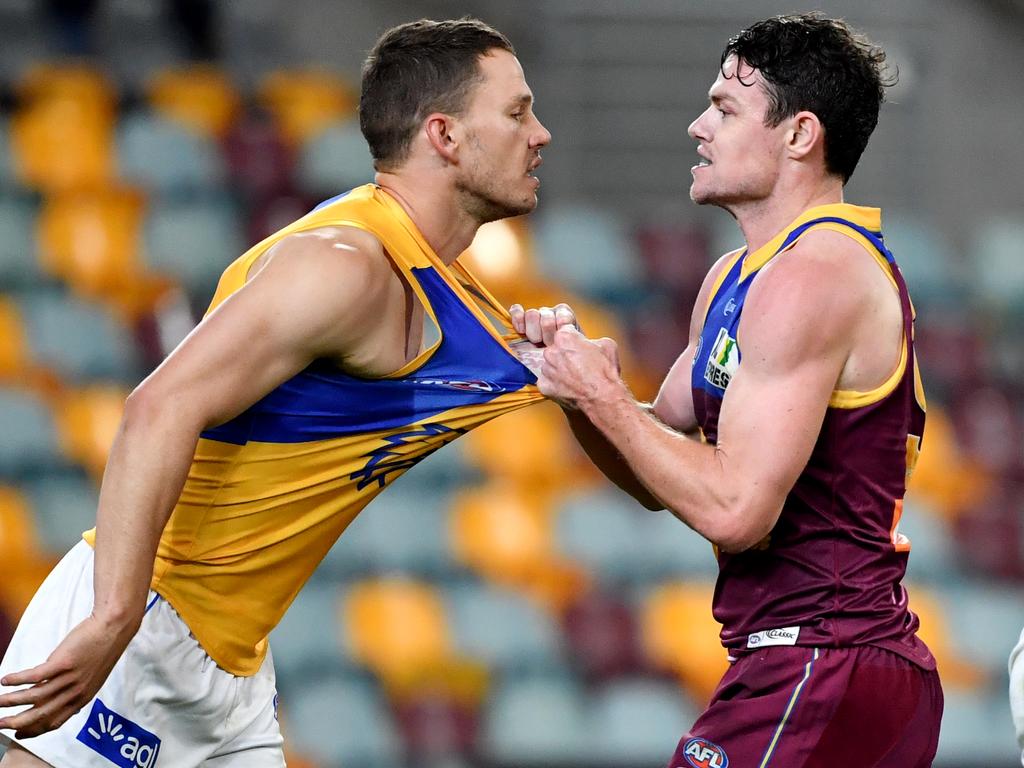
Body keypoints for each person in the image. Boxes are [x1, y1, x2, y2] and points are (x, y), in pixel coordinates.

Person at [0, 17, 550, 767]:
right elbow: (157, 407)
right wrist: (112, 617)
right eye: (518, 112)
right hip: (136, 632)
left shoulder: (466, 307)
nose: (541, 133)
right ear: (445, 135)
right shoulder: (342, 263)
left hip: (234, 675)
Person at [515, 12, 943, 768]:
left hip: (826, 657)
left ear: (799, 134)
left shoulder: (817, 274)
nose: (696, 127)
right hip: (812, 663)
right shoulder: (735, 278)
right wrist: (576, 389)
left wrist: (606, 399)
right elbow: (658, 468)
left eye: (723, 108)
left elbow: (737, 511)